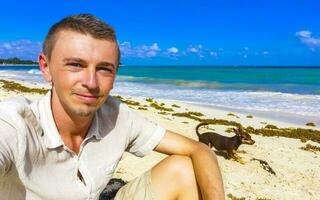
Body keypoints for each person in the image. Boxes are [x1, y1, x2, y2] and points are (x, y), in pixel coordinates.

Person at [0, 14, 224, 200]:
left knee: (182, 169)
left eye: (104, 69)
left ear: (115, 74)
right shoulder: (14, 125)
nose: (91, 83)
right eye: (76, 64)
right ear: (46, 67)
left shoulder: (117, 117)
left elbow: (199, 150)